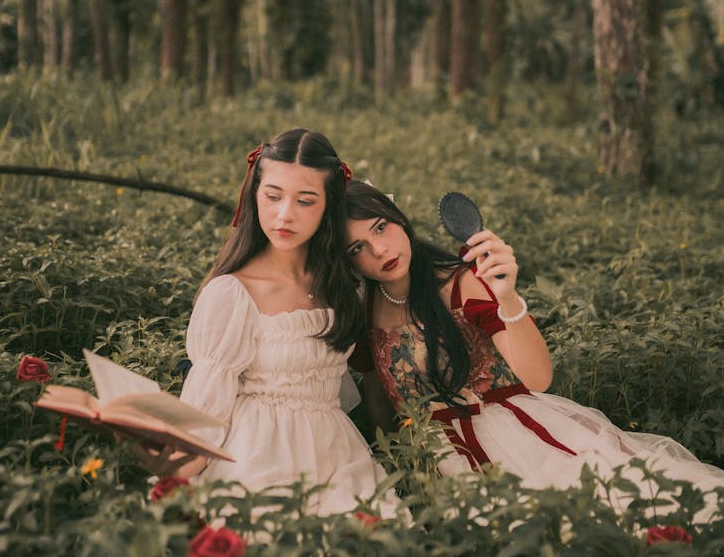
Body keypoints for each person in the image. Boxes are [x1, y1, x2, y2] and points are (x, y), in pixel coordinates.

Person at [345, 180, 724, 517]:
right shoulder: (363, 310)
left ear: (399, 219)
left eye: (381, 227)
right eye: (357, 246)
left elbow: (537, 378)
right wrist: (398, 470)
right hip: (431, 458)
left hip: (507, 436)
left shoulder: (459, 284)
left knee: (612, 513)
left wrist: (507, 297)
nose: (379, 249)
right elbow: (380, 402)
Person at [138, 130, 399, 518]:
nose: (284, 215)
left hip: (338, 454)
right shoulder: (232, 293)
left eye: (305, 200)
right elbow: (205, 414)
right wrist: (170, 473)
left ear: (329, 207)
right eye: (272, 196)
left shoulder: (343, 283)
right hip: (258, 455)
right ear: (254, 194)